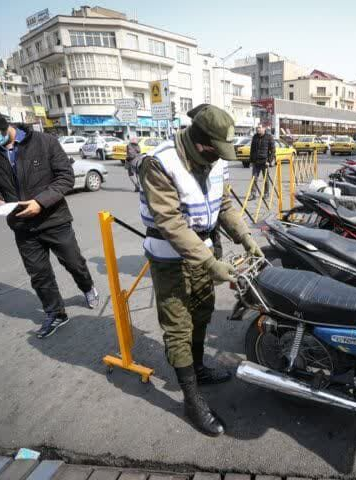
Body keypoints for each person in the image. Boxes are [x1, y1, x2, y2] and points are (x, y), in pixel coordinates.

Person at [137, 104, 263, 437]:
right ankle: (192, 399)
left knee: (202, 313)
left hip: (207, 248)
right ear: (200, 141)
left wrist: (246, 237)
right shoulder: (159, 162)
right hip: (171, 258)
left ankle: (198, 368)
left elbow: (223, 205)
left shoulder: (215, 161)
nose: (219, 157)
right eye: (215, 150)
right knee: (178, 324)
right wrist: (208, 262)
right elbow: (171, 222)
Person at [0, 99, 99, 339]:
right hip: (22, 224)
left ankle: (87, 287)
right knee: (39, 274)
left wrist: (40, 202)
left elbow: (65, 177)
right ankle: (56, 313)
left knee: (74, 262)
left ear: (2, 124)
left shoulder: (45, 142)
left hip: (54, 219)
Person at [248, 125, 275, 200]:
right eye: (257, 128)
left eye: (259, 128)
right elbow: (252, 150)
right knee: (254, 179)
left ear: (264, 128)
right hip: (256, 162)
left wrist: (269, 161)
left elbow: (273, 151)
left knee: (265, 179)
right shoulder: (255, 137)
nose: (258, 129)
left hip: (264, 162)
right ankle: (253, 194)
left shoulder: (269, 137)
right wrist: (251, 160)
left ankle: (266, 193)